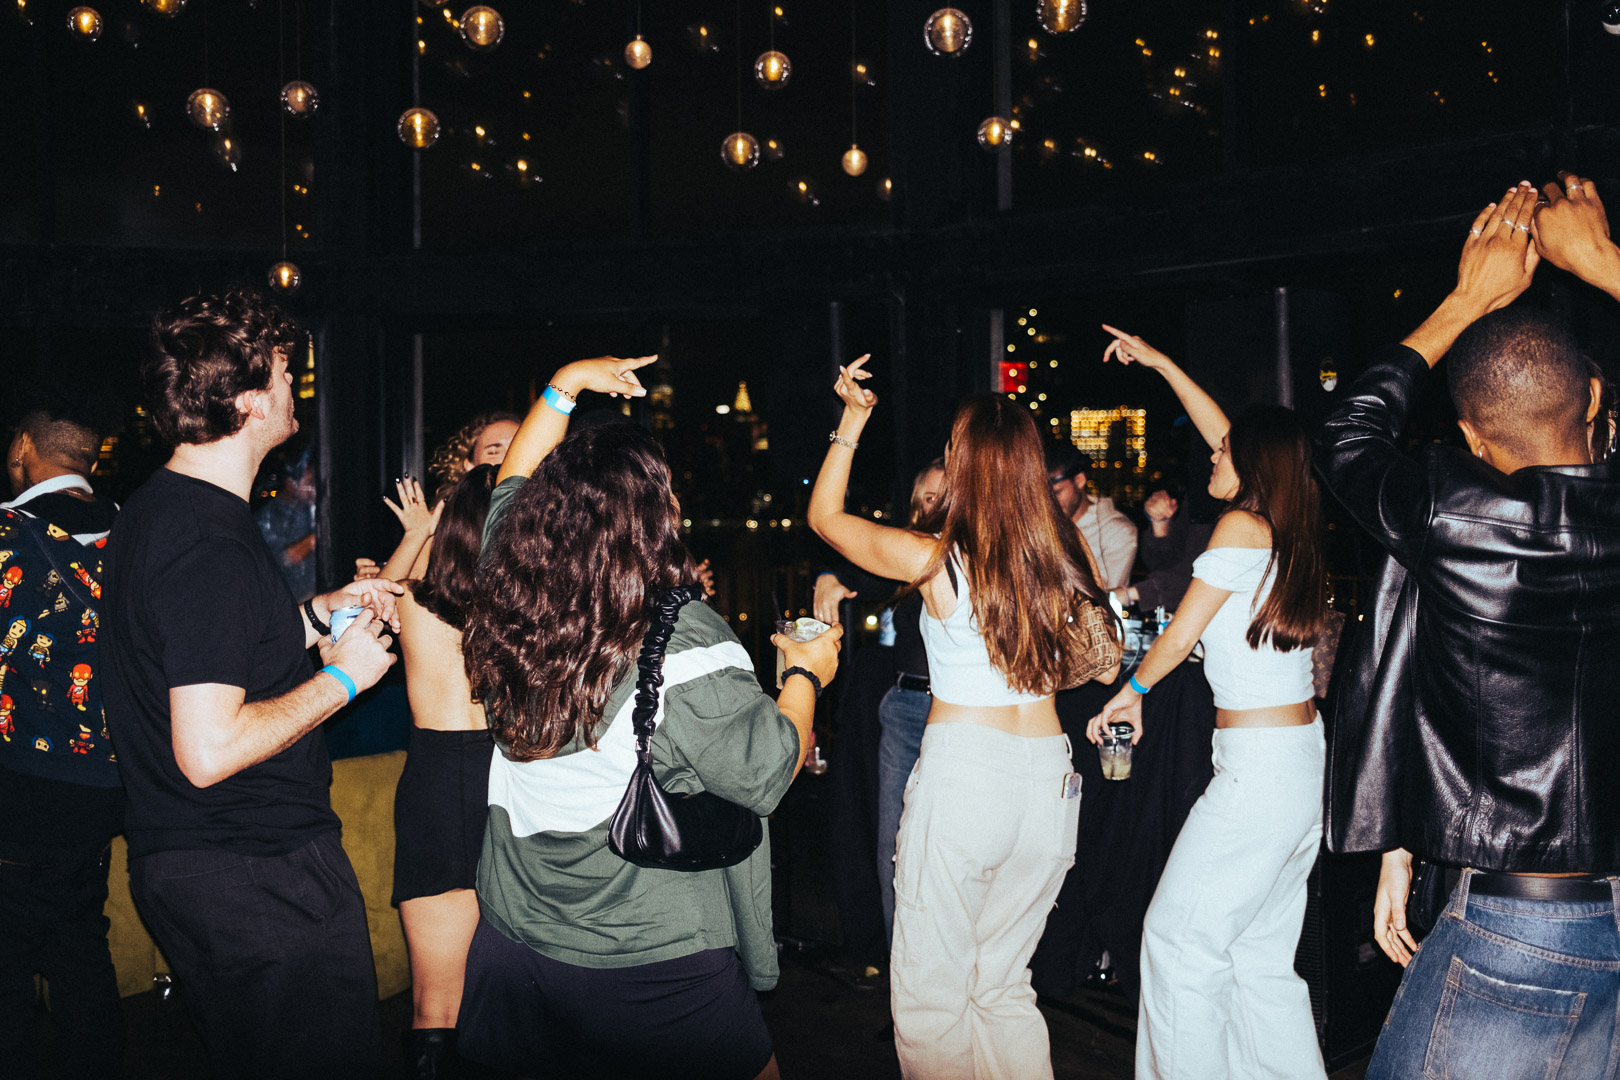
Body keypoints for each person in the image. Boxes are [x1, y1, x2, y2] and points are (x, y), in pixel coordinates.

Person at [455, 355, 840, 1080]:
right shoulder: (682, 635)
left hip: (516, 938)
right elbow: (765, 772)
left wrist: (563, 383)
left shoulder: (507, 583)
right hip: (645, 953)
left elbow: (510, 479)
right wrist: (805, 674)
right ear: (657, 516)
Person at [1319, 177, 1620, 1077]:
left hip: (1516, 926)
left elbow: (1347, 436)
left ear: (1471, 439)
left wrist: (1469, 297)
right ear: (1599, 401)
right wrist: (1605, 265)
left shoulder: (1453, 514)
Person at [102, 287, 404, 1080]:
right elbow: (207, 748)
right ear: (245, 399)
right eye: (282, 373)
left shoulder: (158, 511)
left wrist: (313, 615)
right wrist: (343, 678)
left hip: (201, 864)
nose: (293, 387)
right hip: (255, 872)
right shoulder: (209, 544)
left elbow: (205, 654)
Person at [809, 355, 1119, 1080]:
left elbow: (825, 519)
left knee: (930, 998)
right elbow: (1106, 660)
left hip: (968, 779)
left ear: (962, 465)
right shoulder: (1063, 555)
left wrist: (853, 420)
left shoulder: (937, 560)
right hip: (1048, 784)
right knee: (1003, 987)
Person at [1088, 324, 1329, 1080]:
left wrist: (1129, 693)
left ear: (1251, 466)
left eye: (1225, 454)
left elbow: (1178, 632)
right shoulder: (1287, 526)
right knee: (1258, 960)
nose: (1211, 456)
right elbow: (1229, 430)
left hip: (1258, 772)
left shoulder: (1240, 524)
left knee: (1177, 943)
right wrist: (1161, 364)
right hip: (1296, 762)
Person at [0, 397, 123, 1080]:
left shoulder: (3, 533)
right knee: (81, 949)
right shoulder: (136, 533)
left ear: (24, 447)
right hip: (104, 789)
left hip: (17, 786)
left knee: (6, 965)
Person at [389, 463, 497, 1080]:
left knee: (435, 1001)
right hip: (506, 779)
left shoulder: (412, 603)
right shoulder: (525, 610)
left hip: (434, 781)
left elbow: (371, 600)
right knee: (507, 983)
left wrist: (417, 533)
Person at [814, 459, 944, 948]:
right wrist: (831, 575)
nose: (932, 506)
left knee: (945, 850)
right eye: (925, 497)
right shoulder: (909, 550)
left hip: (961, 716)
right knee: (895, 845)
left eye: (941, 497)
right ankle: (901, 975)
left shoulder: (970, 547)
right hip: (907, 706)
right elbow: (860, 565)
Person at [1046, 448, 1137, 592]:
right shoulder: (1042, 524)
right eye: (1046, 495)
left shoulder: (1118, 531)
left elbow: (1103, 596)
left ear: (1079, 480)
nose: (1052, 502)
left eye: (1057, 492)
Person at [1113, 484, 1213, 614]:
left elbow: (1204, 577)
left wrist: (1131, 593)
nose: (1214, 461)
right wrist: (1160, 522)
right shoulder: (1202, 492)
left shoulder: (1238, 515)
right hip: (1183, 616)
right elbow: (1164, 566)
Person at [426, 410, 520, 505]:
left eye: (519, 450)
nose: (507, 459)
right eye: (493, 452)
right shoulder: (455, 515)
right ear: (469, 466)